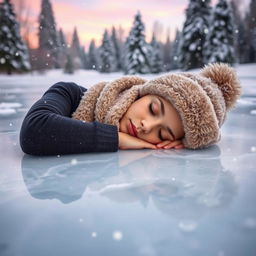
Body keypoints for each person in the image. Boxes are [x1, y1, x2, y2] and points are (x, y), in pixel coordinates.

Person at [19, 62, 241, 156]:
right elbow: (34, 132)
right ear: (143, 93)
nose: (147, 126)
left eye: (163, 134)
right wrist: (116, 139)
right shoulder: (71, 94)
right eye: (153, 109)